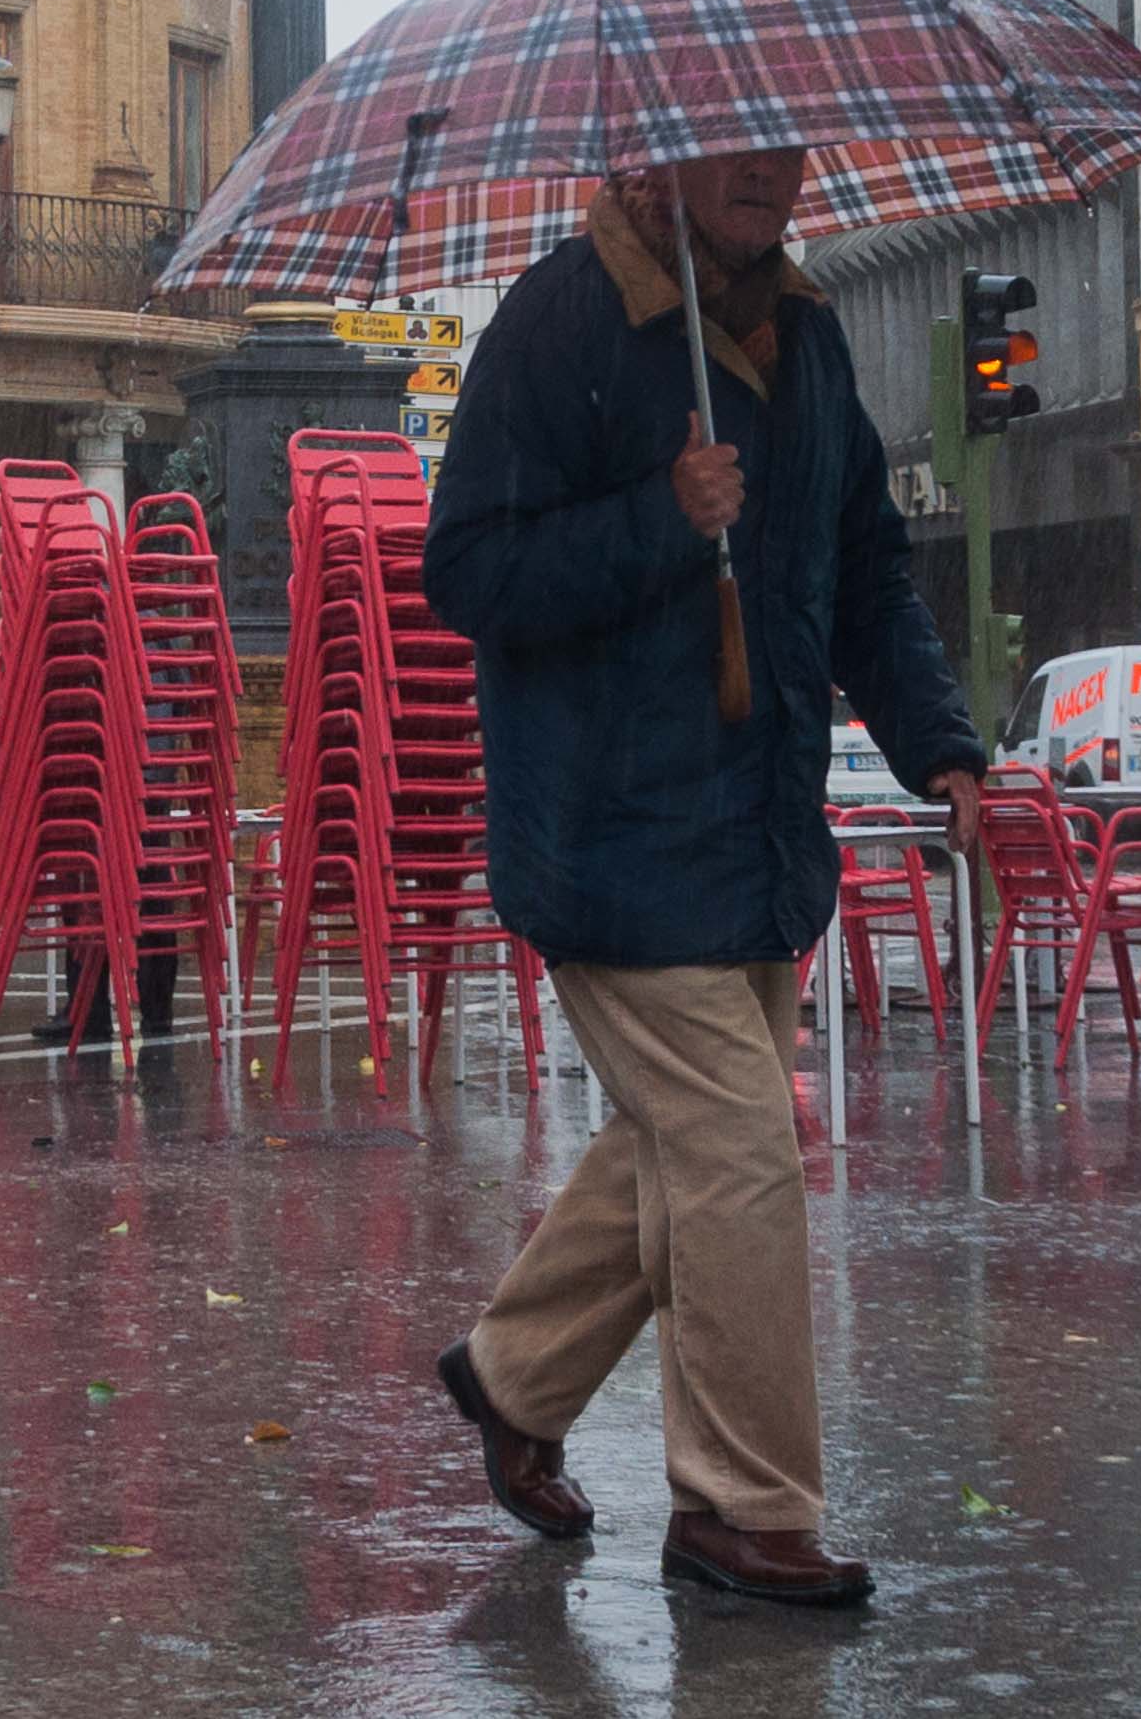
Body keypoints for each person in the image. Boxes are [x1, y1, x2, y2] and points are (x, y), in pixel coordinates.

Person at [416, 149, 982, 1610]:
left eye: (780, 143)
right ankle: (738, 1505)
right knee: (738, 1148)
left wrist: (943, 748)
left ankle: (510, 1371)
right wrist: (660, 514)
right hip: (607, 834)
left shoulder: (809, 328)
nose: (767, 172)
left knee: (674, 1147)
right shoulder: (554, 321)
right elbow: (468, 573)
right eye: (728, 141)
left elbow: (865, 564)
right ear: (642, 156)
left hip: (756, 830)